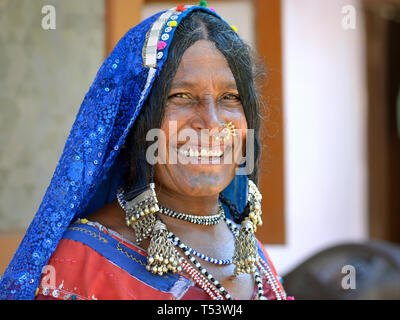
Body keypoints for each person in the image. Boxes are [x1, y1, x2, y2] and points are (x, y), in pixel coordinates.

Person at [0, 3, 290, 300]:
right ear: (135, 119)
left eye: (230, 97)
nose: (213, 124)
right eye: (182, 96)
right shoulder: (80, 266)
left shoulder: (251, 251)